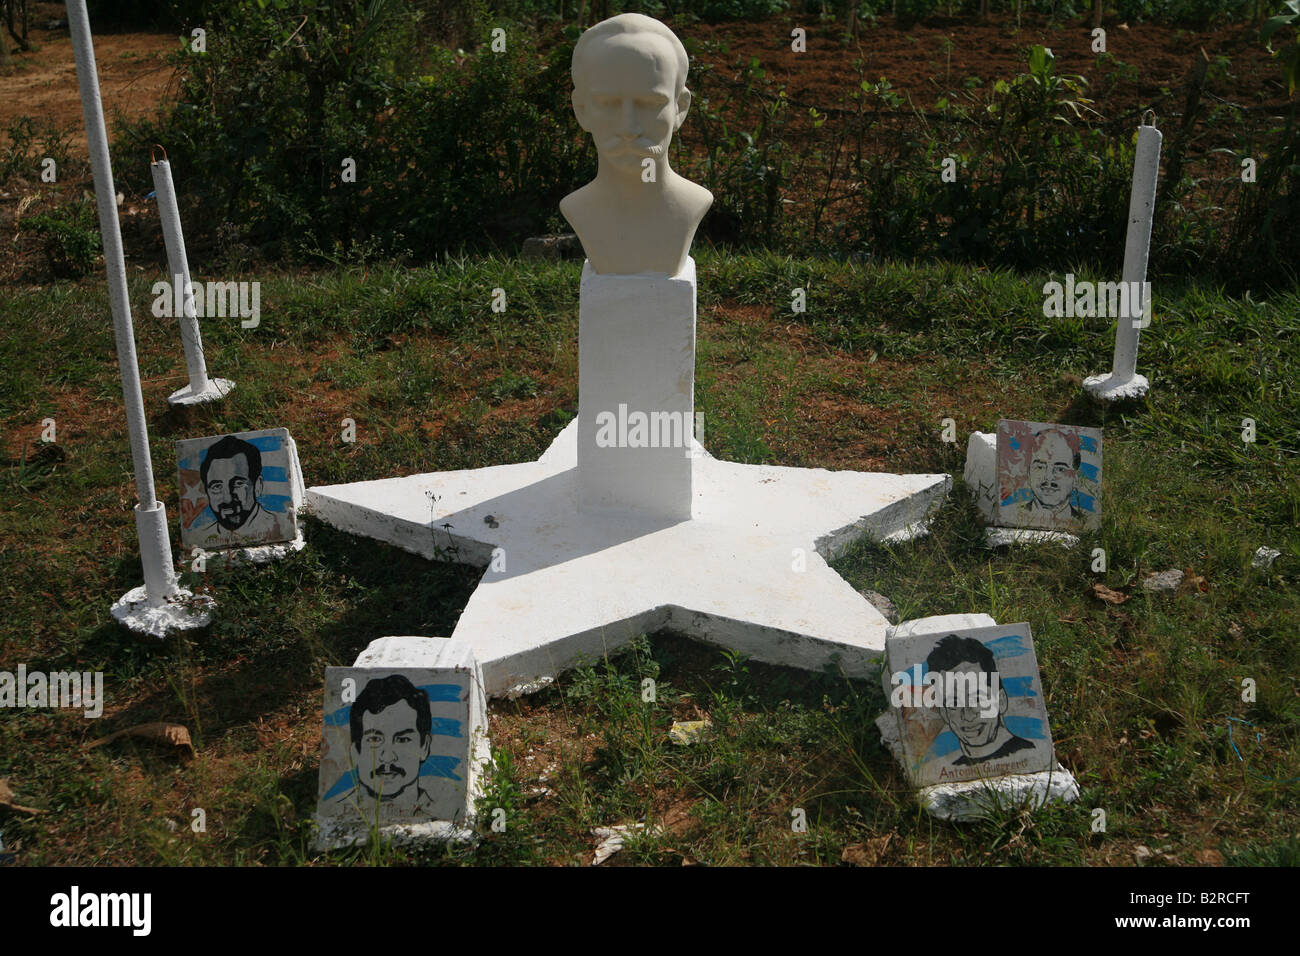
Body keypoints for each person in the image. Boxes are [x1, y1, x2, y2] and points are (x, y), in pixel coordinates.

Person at [561, 13, 712, 277]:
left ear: (680, 108)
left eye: (650, 103)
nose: (628, 128)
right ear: (581, 109)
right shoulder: (578, 209)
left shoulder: (692, 205)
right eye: (609, 104)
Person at [325, 674, 439, 818]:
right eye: (374, 740)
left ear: (425, 746)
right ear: (355, 751)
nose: (388, 757)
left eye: (402, 740)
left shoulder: (446, 815)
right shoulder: (332, 815)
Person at [925, 634, 1035, 766]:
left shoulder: (1029, 754)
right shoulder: (951, 767)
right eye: (954, 703)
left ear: (1001, 701)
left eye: (977, 698)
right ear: (944, 713)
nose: (968, 715)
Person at [193, 435, 286, 547]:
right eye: (216, 487)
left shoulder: (279, 526)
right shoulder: (201, 537)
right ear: (207, 491)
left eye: (238, 484)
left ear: (258, 486)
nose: (228, 498)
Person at [1004, 427, 1086, 530]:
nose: (1048, 477)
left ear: (1075, 477)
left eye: (1060, 469)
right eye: (1040, 467)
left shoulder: (1086, 524)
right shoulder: (1011, 517)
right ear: (1029, 473)